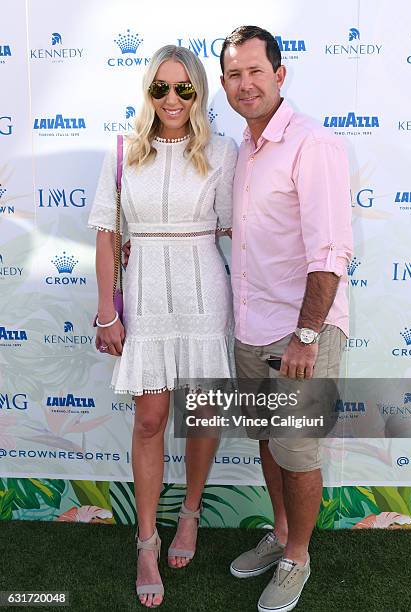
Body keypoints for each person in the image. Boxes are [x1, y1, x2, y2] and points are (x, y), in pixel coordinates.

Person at [88, 44, 237, 608]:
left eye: (184, 88)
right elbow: (107, 233)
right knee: (150, 418)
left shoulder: (220, 152)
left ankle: (191, 514)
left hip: (204, 293)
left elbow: (233, 230)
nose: (171, 99)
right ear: (147, 93)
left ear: (199, 94)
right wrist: (108, 311)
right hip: (146, 296)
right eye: (160, 88)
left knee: (200, 414)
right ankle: (146, 540)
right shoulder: (124, 152)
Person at [220, 26, 353, 612]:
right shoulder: (244, 149)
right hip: (251, 326)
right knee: (270, 443)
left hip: (300, 331)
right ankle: (279, 534)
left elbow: (330, 252)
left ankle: (298, 556)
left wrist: (306, 335)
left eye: (255, 71)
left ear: (280, 75)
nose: (245, 84)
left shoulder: (311, 145)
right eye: (233, 75)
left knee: (297, 452)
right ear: (224, 84)